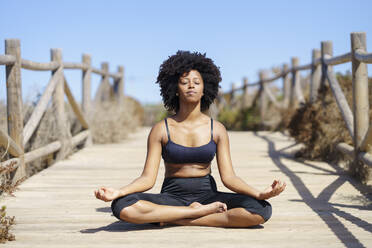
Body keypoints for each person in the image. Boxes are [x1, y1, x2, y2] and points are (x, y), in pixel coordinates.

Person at [94, 51, 286, 228]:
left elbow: (229, 178)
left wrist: (260, 194)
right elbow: (147, 179)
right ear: (176, 89)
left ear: (205, 89)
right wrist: (118, 192)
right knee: (122, 206)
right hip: (171, 197)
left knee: (261, 209)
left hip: (208, 196)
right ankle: (195, 214)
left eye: (197, 82)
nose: (191, 85)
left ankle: (179, 219)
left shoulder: (217, 129)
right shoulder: (161, 129)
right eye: (185, 81)